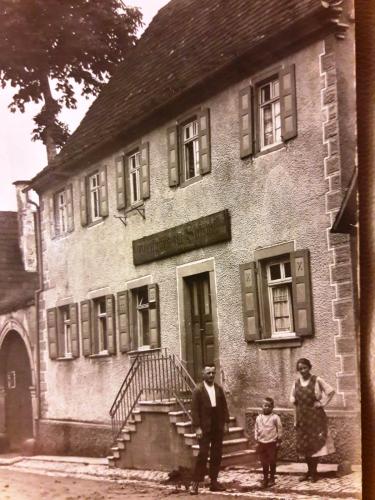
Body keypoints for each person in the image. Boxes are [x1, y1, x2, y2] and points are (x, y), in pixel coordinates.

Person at [290, 357, 335, 482]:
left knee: (315, 445)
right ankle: (308, 472)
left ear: (309, 367)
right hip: (302, 419)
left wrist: (322, 403)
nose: (303, 371)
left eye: (304, 368)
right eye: (300, 369)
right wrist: (295, 420)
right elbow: (295, 404)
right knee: (305, 446)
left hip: (316, 418)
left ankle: (314, 473)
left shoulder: (317, 380)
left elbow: (331, 391)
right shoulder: (296, 383)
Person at [190, 365, 230, 495]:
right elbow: (194, 411)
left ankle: (214, 482)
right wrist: (197, 428)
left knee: (216, 454)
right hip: (204, 427)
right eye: (208, 373)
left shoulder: (218, 389)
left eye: (213, 373)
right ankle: (195, 483)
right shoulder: (198, 390)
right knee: (203, 454)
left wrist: (226, 423)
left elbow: (224, 406)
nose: (211, 375)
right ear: (203, 374)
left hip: (217, 425)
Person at [254, 397, 282, 488]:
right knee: (264, 462)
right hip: (262, 443)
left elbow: (280, 429)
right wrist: (256, 439)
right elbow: (256, 429)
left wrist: (278, 440)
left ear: (272, 407)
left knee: (272, 461)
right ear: (262, 406)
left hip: (272, 443)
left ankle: (272, 478)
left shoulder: (275, 417)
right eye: (264, 405)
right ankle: (265, 478)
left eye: (268, 406)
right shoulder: (259, 418)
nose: (266, 408)